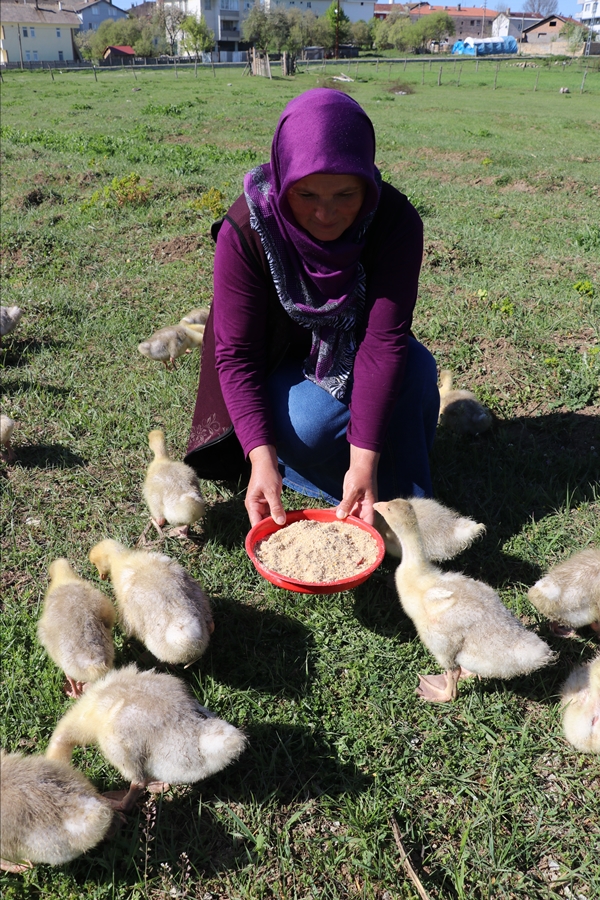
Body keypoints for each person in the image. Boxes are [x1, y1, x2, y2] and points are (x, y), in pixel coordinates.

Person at [185, 89, 439, 528]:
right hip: (275, 360)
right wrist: (261, 457)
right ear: (284, 181)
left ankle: (387, 491)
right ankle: (292, 470)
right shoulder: (246, 230)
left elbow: (383, 343)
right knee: (310, 422)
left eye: (345, 194)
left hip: (352, 349)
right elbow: (237, 355)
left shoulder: (394, 222)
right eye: (306, 195)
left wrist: (362, 464)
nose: (326, 214)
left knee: (415, 368)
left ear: (367, 181)